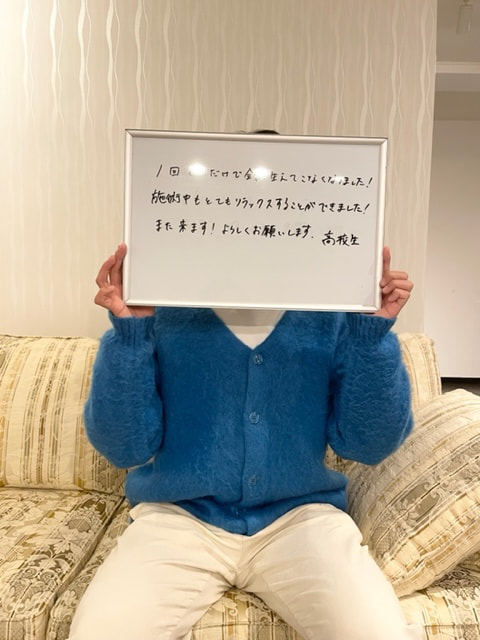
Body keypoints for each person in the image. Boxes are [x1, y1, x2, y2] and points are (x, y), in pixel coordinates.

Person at [68, 241, 422, 640]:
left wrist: (371, 336)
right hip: (179, 518)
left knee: (378, 632)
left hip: (300, 517)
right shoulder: (163, 304)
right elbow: (124, 448)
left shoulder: (330, 310)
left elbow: (367, 445)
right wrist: (130, 336)